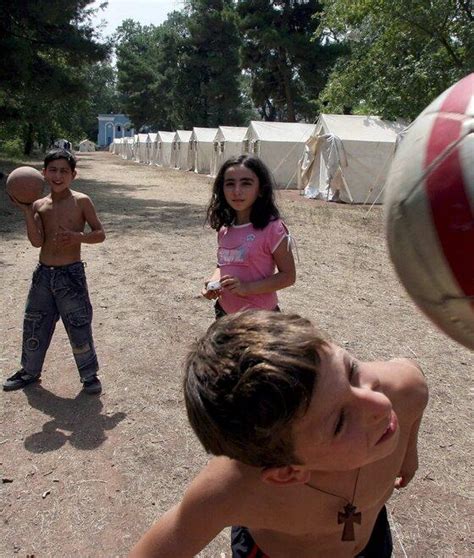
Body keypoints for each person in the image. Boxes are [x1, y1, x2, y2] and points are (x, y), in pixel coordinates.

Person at [129, 310, 428, 558]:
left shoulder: (405, 389)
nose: (381, 404)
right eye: (338, 423)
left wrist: (408, 453)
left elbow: (416, 393)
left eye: (351, 370)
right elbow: (168, 543)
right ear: (287, 473)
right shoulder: (236, 490)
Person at [3, 149, 105, 394]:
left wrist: (77, 238)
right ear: (43, 174)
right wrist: (28, 212)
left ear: (73, 175)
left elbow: (100, 233)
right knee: (35, 323)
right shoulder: (39, 204)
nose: (58, 176)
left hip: (71, 275)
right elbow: (37, 242)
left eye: (64, 171)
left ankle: (89, 376)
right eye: (53, 170)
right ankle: (29, 370)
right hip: (43, 276)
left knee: (78, 324)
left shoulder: (81, 201)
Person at [202, 155, 296, 318]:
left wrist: (247, 288)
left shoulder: (273, 229)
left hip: (260, 319)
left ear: (260, 189)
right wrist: (213, 283)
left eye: (246, 183)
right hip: (224, 315)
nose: (237, 191)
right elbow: (222, 266)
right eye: (230, 184)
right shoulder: (225, 228)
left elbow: (288, 276)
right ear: (222, 189)